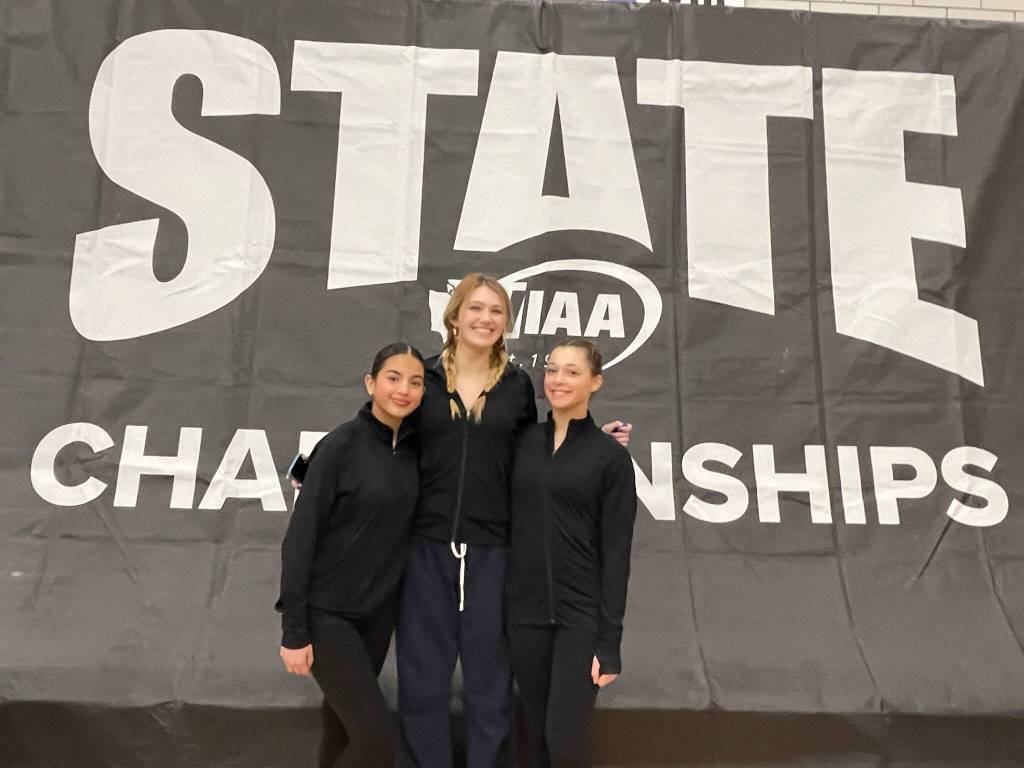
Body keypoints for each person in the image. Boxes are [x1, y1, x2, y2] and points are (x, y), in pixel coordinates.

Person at [398, 274, 632, 768]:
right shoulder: (422, 376)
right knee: (421, 688)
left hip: (493, 554)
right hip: (427, 550)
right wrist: (313, 469)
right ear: (455, 316)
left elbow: (543, 447)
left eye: (496, 311)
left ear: (506, 323)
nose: (485, 319)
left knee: (490, 690)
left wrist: (597, 443)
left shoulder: (516, 387)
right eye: (476, 309)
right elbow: (383, 429)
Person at [276, 342, 425, 768]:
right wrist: (295, 629)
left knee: (341, 728)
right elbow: (300, 538)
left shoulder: (417, 450)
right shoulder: (341, 445)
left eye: (415, 382)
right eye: (393, 378)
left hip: (376, 617)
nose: (404, 390)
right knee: (375, 740)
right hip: (328, 615)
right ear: (370, 383)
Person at [506, 339, 638, 768]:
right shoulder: (521, 442)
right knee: (531, 736)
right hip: (524, 614)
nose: (558, 379)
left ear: (595, 382)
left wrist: (609, 639)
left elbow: (616, 554)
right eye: (552, 369)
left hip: (581, 619)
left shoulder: (610, 460)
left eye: (572, 371)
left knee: (564, 739)